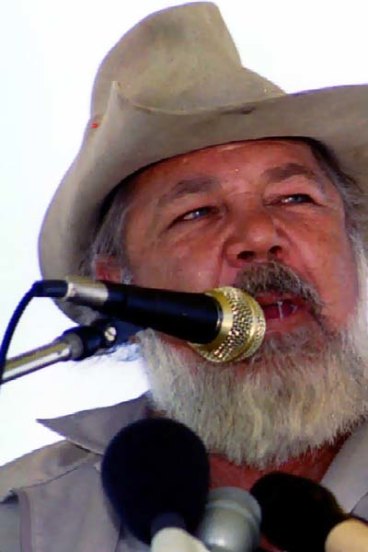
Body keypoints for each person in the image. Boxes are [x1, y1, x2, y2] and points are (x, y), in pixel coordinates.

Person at [1, 2, 368, 551]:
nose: (258, 236)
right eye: (196, 213)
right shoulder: (30, 523)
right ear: (120, 290)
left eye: (295, 198)